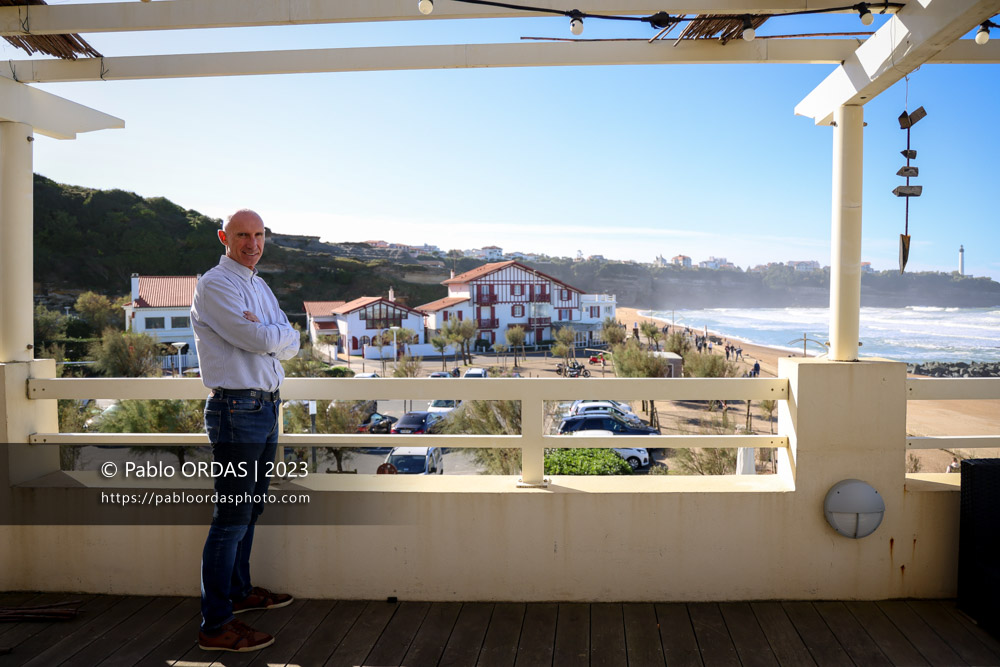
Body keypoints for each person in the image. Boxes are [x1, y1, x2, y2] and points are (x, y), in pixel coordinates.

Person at [191, 209, 300, 653]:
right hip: (237, 409)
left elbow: (291, 341)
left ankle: (238, 593)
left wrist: (269, 332)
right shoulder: (215, 284)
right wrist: (269, 334)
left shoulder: (258, 284)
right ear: (224, 237)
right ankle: (215, 625)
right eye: (242, 235)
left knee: (250, 510)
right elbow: (256, 340)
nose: (252, 243)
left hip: (265, 407)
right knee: (231, 518)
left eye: (258, 235)